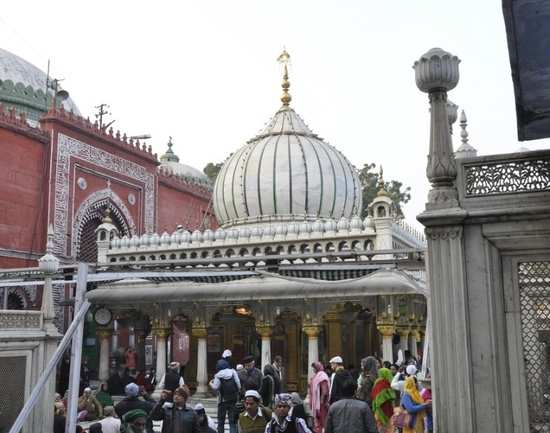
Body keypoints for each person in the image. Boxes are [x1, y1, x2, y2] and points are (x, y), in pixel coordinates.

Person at [210, 359, 241, 433]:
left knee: (221, 422)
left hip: (222, 401)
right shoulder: (233, 371)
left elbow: (215, 387)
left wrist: (210, 383)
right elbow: (239, 385)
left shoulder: (218, 375)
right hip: (233, 400)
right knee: (232, 422)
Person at [371, 367, 395, 433]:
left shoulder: (376, 382)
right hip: (386, 409)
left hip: (378, 410)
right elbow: (392, 396)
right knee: (387, 427)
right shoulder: (386, 383)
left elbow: (374, 395)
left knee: (380, 427)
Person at [308, 362, 330, 433]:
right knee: (317, 421)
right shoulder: (317, 375)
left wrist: (321, 402)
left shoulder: (322, 376)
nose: (313, 369)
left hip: (321, 404)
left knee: (322, 421)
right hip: (317, 404)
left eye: (314, 368)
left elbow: (325, 391)